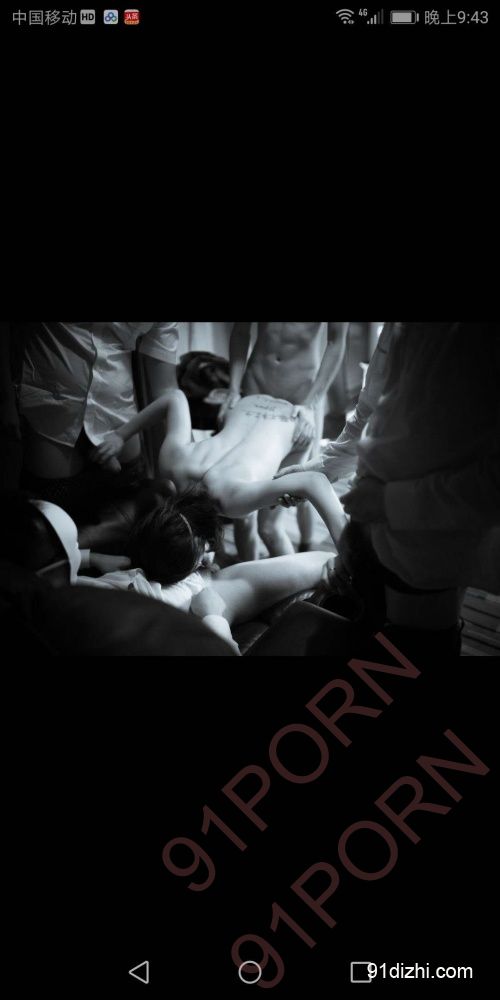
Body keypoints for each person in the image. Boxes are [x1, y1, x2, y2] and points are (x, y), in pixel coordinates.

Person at [90, 388, 348, 552]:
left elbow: (314, 482)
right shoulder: (173, 464)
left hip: (298, 427)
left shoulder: (233, 502)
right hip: (250, 403)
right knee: (261, 520)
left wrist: (349, 552)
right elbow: (174, 397)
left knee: (269, 529)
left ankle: (292, 593)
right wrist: (119, 436)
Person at [14, 322, 179, 522]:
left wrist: (185, 455)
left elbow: (166, 391)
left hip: (118, 414)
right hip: (51, 411)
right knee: (51, 519)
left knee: (126, 520)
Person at [217, 322, 348, 558]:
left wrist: (311, 403)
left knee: (284, 505)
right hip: (256, 384)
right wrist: (233, 389)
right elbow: (240, 331)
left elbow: (336, 342)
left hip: (302, 395)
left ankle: (306, 544)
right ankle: (248, 573)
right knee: (244, 517)